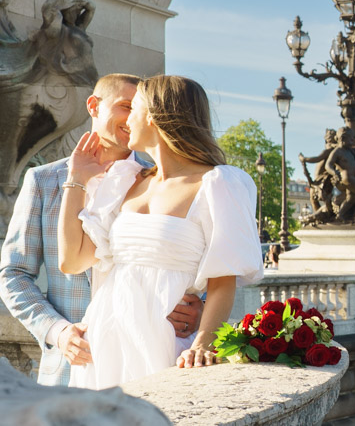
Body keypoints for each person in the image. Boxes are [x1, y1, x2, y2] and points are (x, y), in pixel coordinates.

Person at [57, 75, 263, 389]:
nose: (127, 119)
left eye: (133, 108)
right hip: (104, 339)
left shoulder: (218, 183)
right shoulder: (126, 180)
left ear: (153, 116)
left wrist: (203, 344)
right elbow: (71, 260)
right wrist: (76, 179)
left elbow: (224, 279)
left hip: (166, 341)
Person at [0, 74, 204, 386]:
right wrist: (58, 331)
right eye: (126, 106)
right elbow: (13, 273)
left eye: (140, 108)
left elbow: (195, 254)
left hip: (151, 360)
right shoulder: (42, 181)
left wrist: (195, 304)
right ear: (94, 106)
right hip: (72, 369)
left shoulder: (158, 183)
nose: (135, 116)